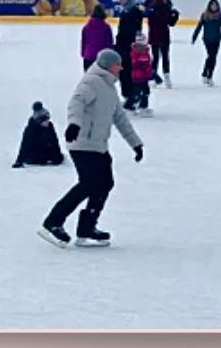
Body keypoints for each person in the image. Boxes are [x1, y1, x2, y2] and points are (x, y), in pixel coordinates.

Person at [39, 49, 144, 248]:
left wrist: (135, 144)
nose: (121, 68)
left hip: (98, 145)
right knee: (88, 183)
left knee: (105, 183)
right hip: (81, 142)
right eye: (117, 65)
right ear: (107, 65)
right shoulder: (92, 82)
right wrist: (74, 125)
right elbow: (75, 103)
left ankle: (87, 228)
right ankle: (53, 222)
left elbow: (120, 119)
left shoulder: (110, 87)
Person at [113, 0, 146, 102]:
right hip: (124, 46)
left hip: (129, 47)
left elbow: (131, 31)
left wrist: (123, 44)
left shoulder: (133, 11)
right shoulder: (127, 10)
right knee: (124, 72)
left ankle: (131, 96)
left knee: (127, 72)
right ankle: (129, 96)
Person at [13, 102, 64, 168]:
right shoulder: (30, 129)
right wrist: (19, 161)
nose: (47, 122)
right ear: (39, 121)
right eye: (45, 120)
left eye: (48, 119)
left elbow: (54, 141)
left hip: (45, 151)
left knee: (57, 157)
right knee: (38, 159)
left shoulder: (50, 126)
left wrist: (58, 157)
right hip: (33, 154)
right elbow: (24, 145)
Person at [147, 0, 179, 88]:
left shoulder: (168, 9)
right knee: (155, 57)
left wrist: (175, 16)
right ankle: (153, 77)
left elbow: (171, 23)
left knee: (165, 56)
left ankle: (167, 76)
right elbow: (151, 22)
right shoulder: (154, 8)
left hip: (164, 35)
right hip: (155, 35)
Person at [192, 0, 221, 86]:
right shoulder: (205, 15)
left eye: (215, 5)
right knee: (211, 56)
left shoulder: (220, 15)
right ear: (209, 6)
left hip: (217, 39)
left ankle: (208, 75)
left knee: (213, 58)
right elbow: (199, 26)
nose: (214, 7)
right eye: (212, 5)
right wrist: (194, 36)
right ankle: (206, 74)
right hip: (207, 39)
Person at [81, 4, 113, 71]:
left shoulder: (86, 27)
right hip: (102, 58)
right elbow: (109, 44)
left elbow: (84, 42)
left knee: (89, 79)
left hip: (88, 56)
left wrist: (84, 53)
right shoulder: (106, 27)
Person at [128, 34, 154, 115]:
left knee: (146, 92)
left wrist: (150, 72)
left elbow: (148, 64)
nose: (140, 47)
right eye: (138, 45)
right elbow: (134, 64)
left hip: (144, 77)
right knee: (136, 93)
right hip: (137, 77)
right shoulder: (134, 53)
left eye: (142, 45)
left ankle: (143, 107)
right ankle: (129, 106)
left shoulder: (146, 52)